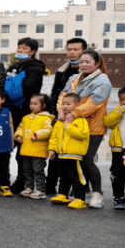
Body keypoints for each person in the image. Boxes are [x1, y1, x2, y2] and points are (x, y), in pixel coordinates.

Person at [57, 50, 112, 208]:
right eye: (81, 62)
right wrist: (61, 110)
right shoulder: (74, 78)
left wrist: (73, 113)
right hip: (72, 124)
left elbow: (95, 103)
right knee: (74, 160)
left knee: (87, 160)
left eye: (88, 62)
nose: (84, 65)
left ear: (97, 63)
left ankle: (97, 194)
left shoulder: (103, 80)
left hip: (92, 127)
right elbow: (63, 95)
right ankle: (83, 191)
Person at [45, 37, 88, 197]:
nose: (71, 52)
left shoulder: (88, 72)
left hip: (79, 118)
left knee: (74, 157)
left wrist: (74, 113)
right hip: (60, 116)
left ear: (84, 50)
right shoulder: (63, 70)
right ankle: (50, 186)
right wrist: (56, 114)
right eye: (69, 49)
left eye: (76, 49)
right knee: (55, 151)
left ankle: (79, 190)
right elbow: (56, 93)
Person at [4, 37, 46, 192]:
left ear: (33, 51)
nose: (20, 50)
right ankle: (4, 179)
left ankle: (22, 181)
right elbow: (4, 84)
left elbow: (27, 89)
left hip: (25, 113)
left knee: (22, 149)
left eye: (24, 48)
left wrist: (11, 88)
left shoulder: (36, 68)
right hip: (10, 111)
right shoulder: (14, 65)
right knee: (7, 146)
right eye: (19, 47)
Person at [48, 93, 91, 209]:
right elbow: (54, 137)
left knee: (76, 177)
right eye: (63, 104)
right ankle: (62, 195)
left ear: (77, 105)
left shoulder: (81, 120)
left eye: (68, 104)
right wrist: (52, 150)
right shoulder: (60, 121)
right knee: (63, 176)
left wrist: (68, 127)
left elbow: (83, 134)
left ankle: (80, 199)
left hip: (75, 156)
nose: (65, 106)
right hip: (62, 155)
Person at [14, 93, 53, 199]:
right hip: (26, 149)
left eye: (36, 104)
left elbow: (49, 130)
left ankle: (40, 190)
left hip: (38, 150)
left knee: (38, 170)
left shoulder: (46, 118)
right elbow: (20, 128)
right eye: (31, 103)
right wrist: (18, 135)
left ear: (43, 105)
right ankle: (29, 187)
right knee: (27, 170)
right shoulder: (26, 118)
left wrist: (37, 135)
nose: (32, 106)